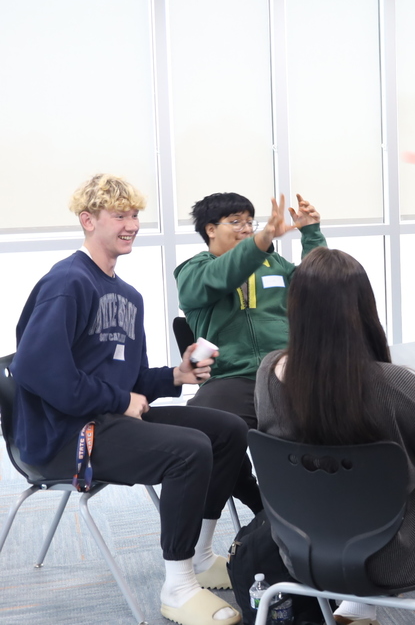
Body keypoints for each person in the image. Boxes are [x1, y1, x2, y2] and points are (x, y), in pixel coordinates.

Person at [11, 174, 249, 625]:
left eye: (135, 215)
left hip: (107, 418)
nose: (132, 224)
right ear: (88, 221)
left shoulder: (127, 296)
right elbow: (36, 369)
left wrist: (177, 375)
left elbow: (133, 378)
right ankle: (178, 587)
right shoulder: (67, 283)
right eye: (119, 215)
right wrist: (119, 400)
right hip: (66, 437)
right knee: (188, 450)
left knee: (224, 428)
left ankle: (199, 557)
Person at [254, 248, 415, 625]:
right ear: (362, 308)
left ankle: (357, 607)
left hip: (303, 546)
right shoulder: (392, 383)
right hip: (389, 555)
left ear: (296, 307)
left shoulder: (269, 372)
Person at [174, 191, 326, 513]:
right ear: (210, 229)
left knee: (342, 421)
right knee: (205, 437)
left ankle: (318, 509)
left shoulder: (274, 264)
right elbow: (222, 276)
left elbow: (319, 286)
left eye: (249, 221)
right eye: (235, 222)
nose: (246, 228)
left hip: (287, 371)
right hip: (231, 377)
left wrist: (310, 232)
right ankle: (255, 502)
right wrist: (262, 238)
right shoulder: (193, 271)